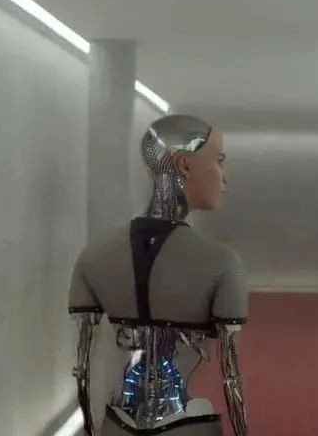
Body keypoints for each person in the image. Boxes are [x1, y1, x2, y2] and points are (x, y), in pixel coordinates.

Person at [68, 115, 249, 436]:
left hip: (116, 426)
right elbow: (231, 378)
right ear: (184, 165)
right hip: (189, 429)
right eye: (219, 161)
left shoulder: (92, 256)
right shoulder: (221, 262)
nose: (225, 177)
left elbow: (83, 374)